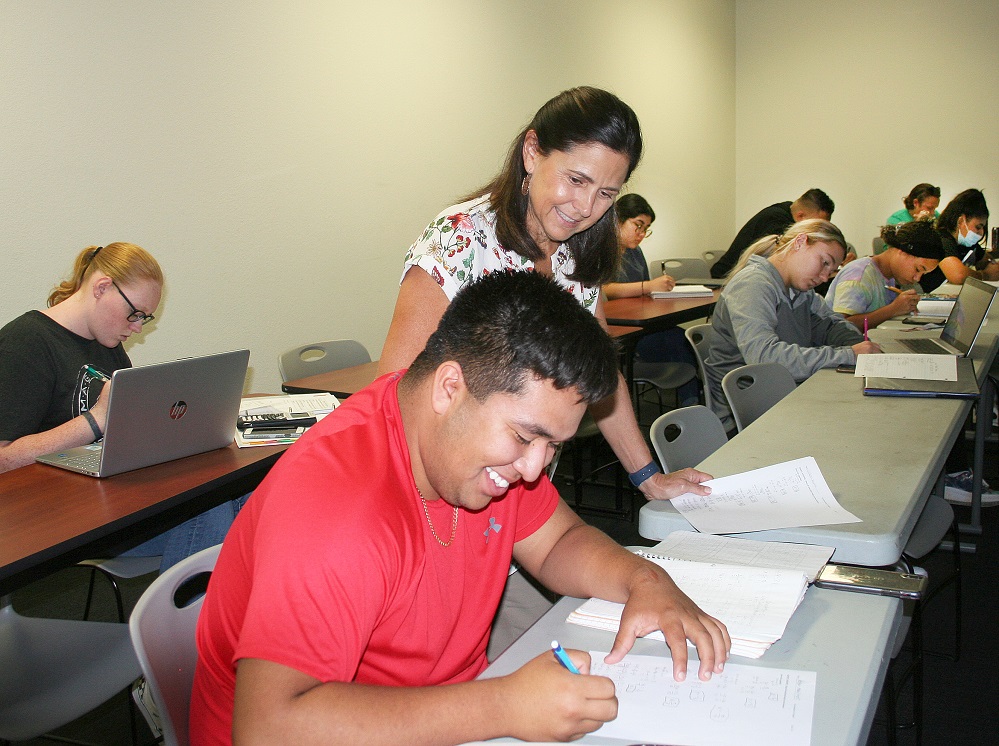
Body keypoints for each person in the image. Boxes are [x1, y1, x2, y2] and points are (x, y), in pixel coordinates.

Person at [191, 271, 730, 745]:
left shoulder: (473, 452)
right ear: (451, 387)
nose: (534, 469)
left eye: (553, 447)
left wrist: (645, 581)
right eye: (525, 437)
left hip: (445, 713)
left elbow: (559, 541)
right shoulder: (339, 508)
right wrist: (503, 706)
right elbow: (268, 730)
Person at [379, 86, 710, 502]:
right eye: (576, 180)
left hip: (526, 486)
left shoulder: (579, 249)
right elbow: (394, 396)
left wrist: (647, 476)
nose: (587, 208)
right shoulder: (461, 238)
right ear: (532, 153)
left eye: (607, 193)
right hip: (447, 489)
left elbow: (601, 375)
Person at [0, 243, 247, 571]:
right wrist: (95, 419)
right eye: (135, 314)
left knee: (244, 495)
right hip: (53, 518)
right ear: (102, 287)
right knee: (212, 507)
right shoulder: (25, 345)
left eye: (145, 318)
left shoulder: (108, 344)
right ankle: (188, 621)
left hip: (111, 496)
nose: (137, 328)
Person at [704, 221, 880, 431]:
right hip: (746, 409)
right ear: (800, 242)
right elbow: (765, 357)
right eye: (824, 262)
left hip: (783, 391)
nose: (824, 277)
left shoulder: (799, 289)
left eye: (831, 271)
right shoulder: (753, 285)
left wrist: (862, 348)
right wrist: (849, 355)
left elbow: (831, 326)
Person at [603, 193, 699, 405]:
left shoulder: (635, 254)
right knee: (677, 342)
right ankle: (691, 404)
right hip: (623, 333)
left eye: (646, 229)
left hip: (645, 325)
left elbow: (644, 294)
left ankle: (694, 401)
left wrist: (658, 289)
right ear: (618, 220)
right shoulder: (603, 249)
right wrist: (649, 286)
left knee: (688, 338)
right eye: (638, 225)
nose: (641, 234)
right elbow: (605, 290)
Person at [825, 220, 944, 330]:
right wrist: (893, 309)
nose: (917, 278)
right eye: (918, 269)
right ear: (902, 252)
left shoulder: (887, 276)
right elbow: (841, 326)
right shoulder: (858, 275)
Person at [709, 188, 835, 279]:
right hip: (729, 278)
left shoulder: (788, 210)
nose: (817, 230)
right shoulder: (776, 222)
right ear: (800, 215)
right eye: (815, 224)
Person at [918, 188, 999, 293]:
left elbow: (985, 260)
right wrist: (985, 275)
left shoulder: (967, 243)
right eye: (978, 227)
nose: (981, 233)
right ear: (961, 220)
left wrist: (990, 265)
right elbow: (957, 275)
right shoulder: (941, 239)